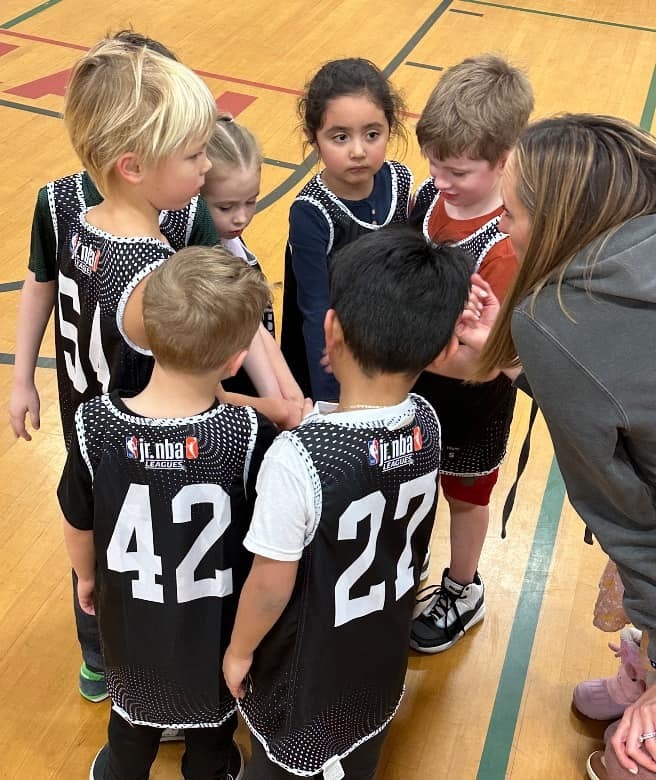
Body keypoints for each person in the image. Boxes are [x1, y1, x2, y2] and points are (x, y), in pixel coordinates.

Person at [6, 34, 220, 706]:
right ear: (134, 161)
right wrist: (20, 376)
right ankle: (119, 662)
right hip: (117, 430)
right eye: (194, 152)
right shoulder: (102, 233)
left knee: (100, 545)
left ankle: (132, 658)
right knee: (111, 552)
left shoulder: (119, 216)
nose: (207, 166)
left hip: (106, 425)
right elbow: (42, 284)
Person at [223, 226, 472, 779]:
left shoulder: (299, 457)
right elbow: (365, 446)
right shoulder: (427, 424)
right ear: (443, 350)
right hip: (379, 662)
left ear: (329, 329)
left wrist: (239, 651)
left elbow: (270, 582)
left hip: (305, 675)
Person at [458, 114, 656, 780]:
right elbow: (622, 394)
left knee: (633, 756)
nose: (498, 227)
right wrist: (531, 368)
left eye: (509, 213)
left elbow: (630, 518)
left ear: (560, 222)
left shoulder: (554, 318)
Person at [58, 245, 277, 780]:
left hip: (133, 623)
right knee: (212, 729)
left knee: (130, 721)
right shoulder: (247, 436)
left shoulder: (94, 426)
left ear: (149, 337)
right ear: (234, 361)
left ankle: (122, 770)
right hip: (214, 628)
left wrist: (86, 576)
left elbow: (76, 517)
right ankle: (210, 769)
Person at [407, 54, 534, 654]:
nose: (439, 178)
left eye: (456, 169)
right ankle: (404, 573)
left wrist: (395, 352)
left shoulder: (505, 245)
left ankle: (463, 587)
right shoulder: (429, 200)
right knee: (411, 483)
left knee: (465, 495)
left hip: (471, 399)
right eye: (433, 161)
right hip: (415, 386)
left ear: (504, 159)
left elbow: (485, 360)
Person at [280, 57, 413, 401]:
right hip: (336, 363)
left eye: (372, 134)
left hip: (390, 352)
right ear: (314, 139)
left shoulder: (400, 180)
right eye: (340, 137)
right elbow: (316, 315)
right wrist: (330, 405)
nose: (358, 151)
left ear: (390, 127)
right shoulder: (311, 213)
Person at [202, 115, 303, 411]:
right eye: (225, 207)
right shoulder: (201, 266)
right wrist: (276, 405)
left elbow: (255, 328)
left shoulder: (232, 243)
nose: (241, 217)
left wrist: (285, 397)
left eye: (251, 201)